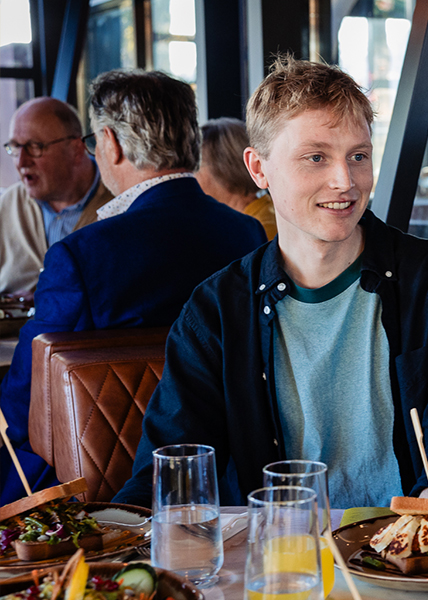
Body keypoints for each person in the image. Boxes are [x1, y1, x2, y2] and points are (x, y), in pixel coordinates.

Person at [113, 57, 428, 509]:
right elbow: (170, 469)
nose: (345, 181)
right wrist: (112, 538)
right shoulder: (216, 308)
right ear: (258, 169)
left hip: (405, 558)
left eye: (358, 156)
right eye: (316, 157)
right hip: (275, 558)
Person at [0, 70, 267, 504]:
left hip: (100, 484)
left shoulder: (82, 255)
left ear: (113, 143)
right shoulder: (246, 234)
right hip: (225, 470)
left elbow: (27, 389)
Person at [0, 98, 113, 296]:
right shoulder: (7, 205)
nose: (21, 161)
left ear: (77, 149)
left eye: (35, 147)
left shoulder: (120, 203)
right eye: (15, 147)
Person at [197, 117, 277, 238]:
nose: (190, 176)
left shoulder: (259, 231)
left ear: (225, 168)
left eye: (196, 166)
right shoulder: (258, 215)